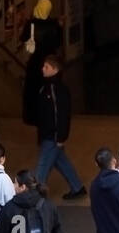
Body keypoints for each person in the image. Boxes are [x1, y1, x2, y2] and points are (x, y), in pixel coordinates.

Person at [34, 54, 87, 200]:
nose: (42, 69)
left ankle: (35, 196)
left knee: (42, 168)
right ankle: (77, 187)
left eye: (46, 67)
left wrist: (61, 136)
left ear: (55, 69)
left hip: (52, 135)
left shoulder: (57, 89)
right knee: (61, 162)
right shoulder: (46, 87)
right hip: (49, 135)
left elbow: (62, 114)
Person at [20, 0, 64, 127]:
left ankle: (32, 117)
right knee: (49, 90)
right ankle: (49, 115)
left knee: (32, 90)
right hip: (49, 63)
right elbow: (58, 43)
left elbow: (23, 38)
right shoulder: (54, 25)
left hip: (34, 63)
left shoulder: (30, 24)